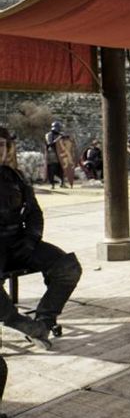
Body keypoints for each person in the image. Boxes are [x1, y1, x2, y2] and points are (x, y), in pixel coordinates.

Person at [0, 126, 82, 351]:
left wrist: (31, 239)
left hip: (19, 242)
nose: (0, 150)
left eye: (2, 145)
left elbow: (34, 213)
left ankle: (44, 321)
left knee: (68, 267)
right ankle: (20, 323)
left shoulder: (16, 177)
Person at [44, 121, 66, 189]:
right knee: (52, 169)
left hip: (61, 154)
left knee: (61, 169)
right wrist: (59, 138)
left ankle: (62, 183)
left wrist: (65, 137)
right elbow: (50, 143)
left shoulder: (60, 134)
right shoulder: (49, 135)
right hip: (52, 154)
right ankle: (52, 184)